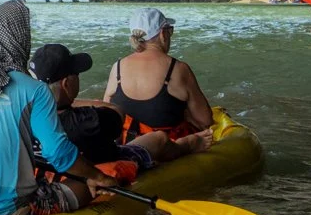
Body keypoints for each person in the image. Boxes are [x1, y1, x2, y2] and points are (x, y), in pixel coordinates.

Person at [0, 2, 117, 215]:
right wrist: (98, 177)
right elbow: (59, 154)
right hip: (12, 208)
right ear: (18, 37)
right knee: (83, 184)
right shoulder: (35, 90)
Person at [29, 43, 209, 172]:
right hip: (104, 163)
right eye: (76, 74)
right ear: (66, 84)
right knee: (159, 139)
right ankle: (189, 145)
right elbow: (116, 111)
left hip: (46, 170)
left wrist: (43, 101)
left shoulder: (20, 115)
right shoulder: (88, 121)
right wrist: (72, 101)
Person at [105, 8, 215, 140]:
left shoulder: (117, 68)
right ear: (163, 33)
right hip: (170, 149)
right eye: (170, 31)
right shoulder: (178, 69)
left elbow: (107, 110)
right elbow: (205, 120)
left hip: (128, 147)